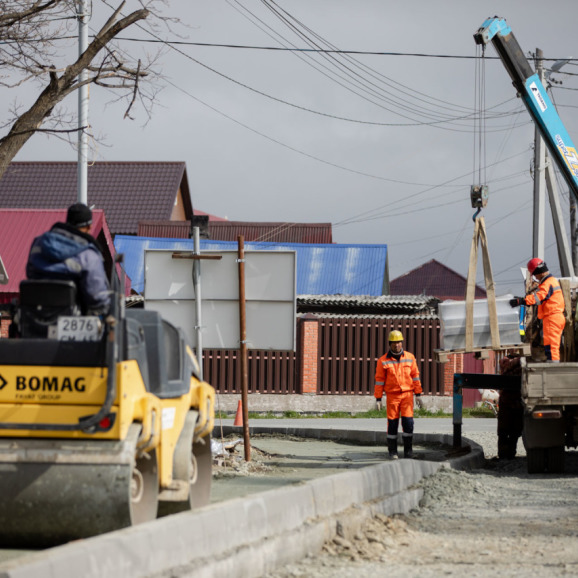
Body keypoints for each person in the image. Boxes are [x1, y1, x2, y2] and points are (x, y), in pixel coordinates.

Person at [26, 203, 111, 316]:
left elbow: (29, 272)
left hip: (35, 318)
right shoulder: (88, 255)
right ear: (89, 227)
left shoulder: (39, 244)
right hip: (73, 322)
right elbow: (97, 296)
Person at [374, 330, 422, 459]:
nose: (397, 345)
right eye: (394, 343)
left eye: (399, 342)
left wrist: (418, 394)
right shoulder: (382, 361)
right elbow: (379, 380)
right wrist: (378, 398)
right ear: (390, 344)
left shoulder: (410, 357)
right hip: (392, 396)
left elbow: (415, 376)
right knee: (393, 424)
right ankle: (393, 452)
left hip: (407, 395)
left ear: (402, 343)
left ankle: (408, 452)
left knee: (408, 423)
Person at [509, 258, 565, 362]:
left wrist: (521, 301)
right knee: (549, 345)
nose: (535, 277)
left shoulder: (547, 283)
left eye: (534, 274)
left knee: (552, 346)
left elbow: (538, 298)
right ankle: (552, 365)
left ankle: (553, 369)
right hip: (553, 317)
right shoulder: (551, 281)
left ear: (539, 272)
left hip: (552, 318)